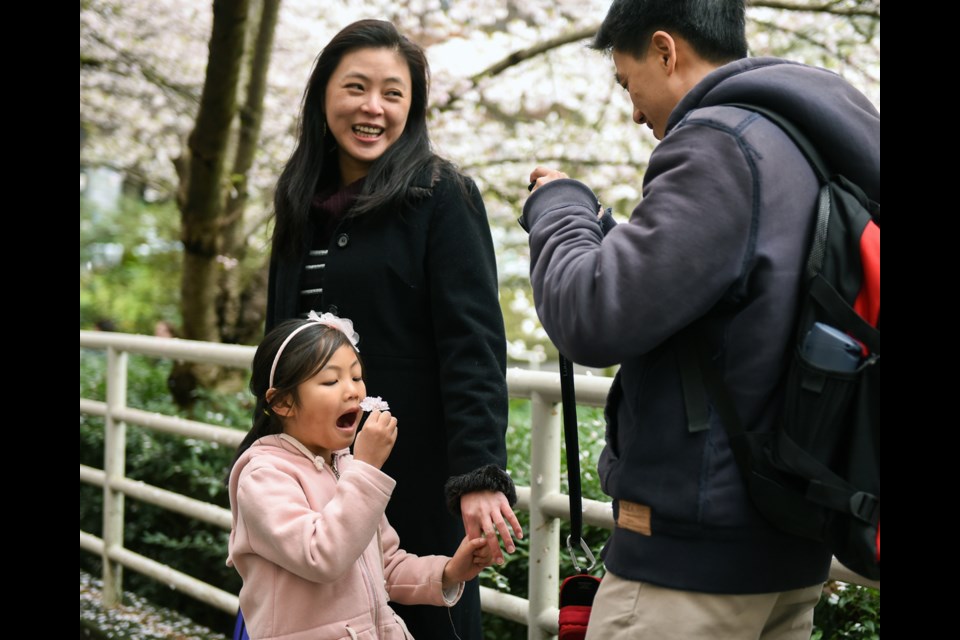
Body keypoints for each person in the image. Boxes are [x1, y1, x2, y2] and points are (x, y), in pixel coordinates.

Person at [520, 1, 879, 638]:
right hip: (782, 542)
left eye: (628, 82)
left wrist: (559, 207)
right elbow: (726, 294)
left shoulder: (721, 144)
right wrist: (606, 232)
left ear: (665, 50)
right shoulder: (803, 139)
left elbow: (591, 314)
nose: (633, 111)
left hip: (690, 564)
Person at [263, 19, 522, 639]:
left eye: (393, 93)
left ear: (414, 105)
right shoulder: (299, 200)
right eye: (355, 87)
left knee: (423, 616)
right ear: (324, 93)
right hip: (309, 477)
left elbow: (475, 346)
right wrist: (263, 454)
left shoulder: (440, 194)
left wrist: (479, 477)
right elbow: (279, 343)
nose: (372, 108)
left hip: (414, 471)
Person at [227, 313, 494, 640]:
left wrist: (450, 571)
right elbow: (321, 555)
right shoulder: (263, 476)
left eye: (356, 377)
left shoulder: (346, 466)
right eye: (330, 381)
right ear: (282, 402)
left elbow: (387, 565)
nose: (353, 391)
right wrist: (366, 469)